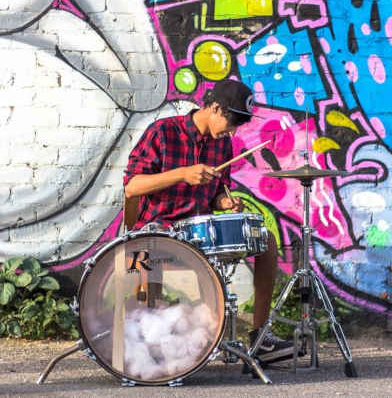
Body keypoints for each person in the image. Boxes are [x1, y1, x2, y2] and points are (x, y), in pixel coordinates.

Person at [123, 79, 298, 365]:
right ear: (215, 108)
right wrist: (182, 174)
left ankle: (260, 336)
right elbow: (132, 186)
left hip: (196, 234)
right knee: (141, 252)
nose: (233, 131)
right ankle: (143, 340)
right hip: (156, 230)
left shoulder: (223, 145)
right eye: (232, 123)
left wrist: (225, 203)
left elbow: (218, 194)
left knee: (265, 240)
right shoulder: (163, 132)